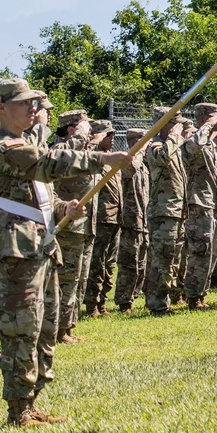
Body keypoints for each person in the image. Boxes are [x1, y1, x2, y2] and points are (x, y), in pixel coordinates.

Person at [0, 78, 129, 426]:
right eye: (25, 103)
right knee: (22, 330)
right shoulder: (2, 146)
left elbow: (32, 193)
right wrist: (102, 158)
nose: (34, 109)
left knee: (45, 327)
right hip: (17, 249)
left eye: (36, 103)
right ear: (1, 108)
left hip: (40, 244)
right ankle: (18, 409)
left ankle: (32, 401)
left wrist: (62, 207)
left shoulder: (20, 142)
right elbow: (47, 164)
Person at [50, 109, 97, 343]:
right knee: (65, 279)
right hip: (67, 225)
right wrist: (79, 137)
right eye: (85, 127)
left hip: (83, 225)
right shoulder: (59, 147)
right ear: (71, 129)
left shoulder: (81, 149)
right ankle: (58, 329)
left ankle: (68, 326)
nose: (89, 132)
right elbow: (59, 158)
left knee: (77, 279)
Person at [144, 108, 187, 316]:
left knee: (172, 259)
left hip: (176, 212)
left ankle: (163, 299)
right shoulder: (155, 146)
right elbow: (161, 157)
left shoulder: (174, 147)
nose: (179, 127)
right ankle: (157, 304)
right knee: (162, 259)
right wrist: (174, 138)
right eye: (174, 123)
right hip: (163, 212)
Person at [181, 103, 217, 310]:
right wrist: (207, 126)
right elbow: (193, 146)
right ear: (204, 119)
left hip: (213, 204)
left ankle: (201, 294)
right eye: (216, 120)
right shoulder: (193, 141)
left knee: (211, 251)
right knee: (200, 250)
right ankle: (193, 296)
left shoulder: (209, 144)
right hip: (199, 203)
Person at [84, 120, 122, 317]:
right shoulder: (94, 158)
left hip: (114, 217)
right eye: (108, 134)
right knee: (96, 263)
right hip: (101, 217)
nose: (112, 138)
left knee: (109, 264)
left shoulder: (109, 159)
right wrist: (93, 140)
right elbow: (85, 153)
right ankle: (92, 304)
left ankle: (102, 302)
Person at [114, 127, 150, 313]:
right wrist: (139, 150)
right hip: (130, 220)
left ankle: (134, 296)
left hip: (143, 219)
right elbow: (130, 170)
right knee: (129, 262)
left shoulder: (143, 163)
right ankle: (124, 301)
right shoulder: (126, 162)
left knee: (141, 263)